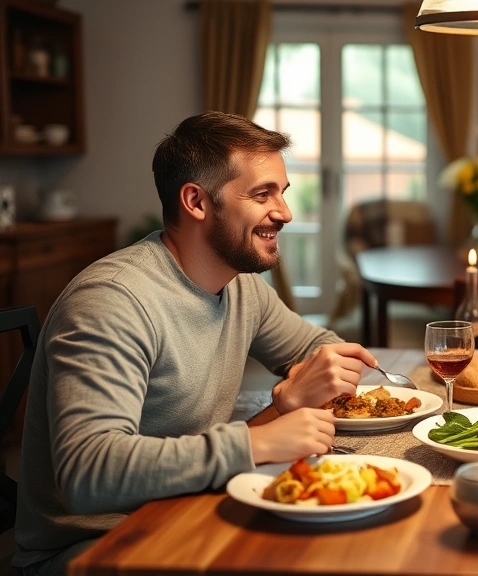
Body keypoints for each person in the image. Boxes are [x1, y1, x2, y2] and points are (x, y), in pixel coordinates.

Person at [14, 112, 378, 573]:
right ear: (196, 202)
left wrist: (308, 382)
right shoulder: (112, 302)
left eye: (282, 194)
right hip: (95, 547)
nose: (285, 213)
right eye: (262, 194)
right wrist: (256, 440)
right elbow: (90, 471)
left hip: (187, 507)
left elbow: (319, 350)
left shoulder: (241, 286)